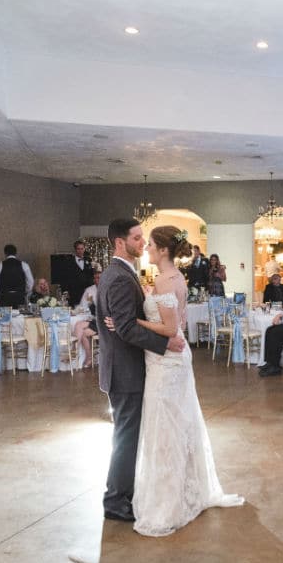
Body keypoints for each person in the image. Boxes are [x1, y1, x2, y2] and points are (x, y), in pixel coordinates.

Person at [104, 224, 243, 535]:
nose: (146, 248)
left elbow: (169, 329)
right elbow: (176, 323)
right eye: (141, 241)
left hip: (166, 359)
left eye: (150, 243)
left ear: (163, 250)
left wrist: (132, 320)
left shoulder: (167, 281)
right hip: (164, 359)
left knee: (165, 425)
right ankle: (178, 489)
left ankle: (168, 498)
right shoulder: (171, 279)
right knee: (173, 423)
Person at [96, 218, 186, 525]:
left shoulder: (122, 273)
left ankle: (123, 493)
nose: (141, 242)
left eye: (143, 238)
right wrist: (164, 344)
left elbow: (126, 322)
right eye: (137, 238)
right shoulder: (120, 277)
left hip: (126, 368)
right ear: (120, 242)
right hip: (125, 371)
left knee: (128, 435)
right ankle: (116, 500)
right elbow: (124, 328)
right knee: (126, 437)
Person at [74, 270, 102, 367]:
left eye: (99, 277)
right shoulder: (90, 290)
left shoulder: (109, 289)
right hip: (95, 319)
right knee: (83, 333)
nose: (97, 280)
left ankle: (75, 351)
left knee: (79, 326)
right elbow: (84, 305)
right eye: (95, 278)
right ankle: (88, 357)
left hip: (104, 321)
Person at [65, 240, 95, 306]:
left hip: (87, 291)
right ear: (75, 250)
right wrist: (67, 291)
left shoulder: (89, 260)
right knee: (76, 310)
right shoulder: (69, 262)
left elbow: (91, 275)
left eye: (82, 249)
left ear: (84, 249)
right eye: (78, 249)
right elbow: (67, 277)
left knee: (88, 309)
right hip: (75, 292)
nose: (80, 251)